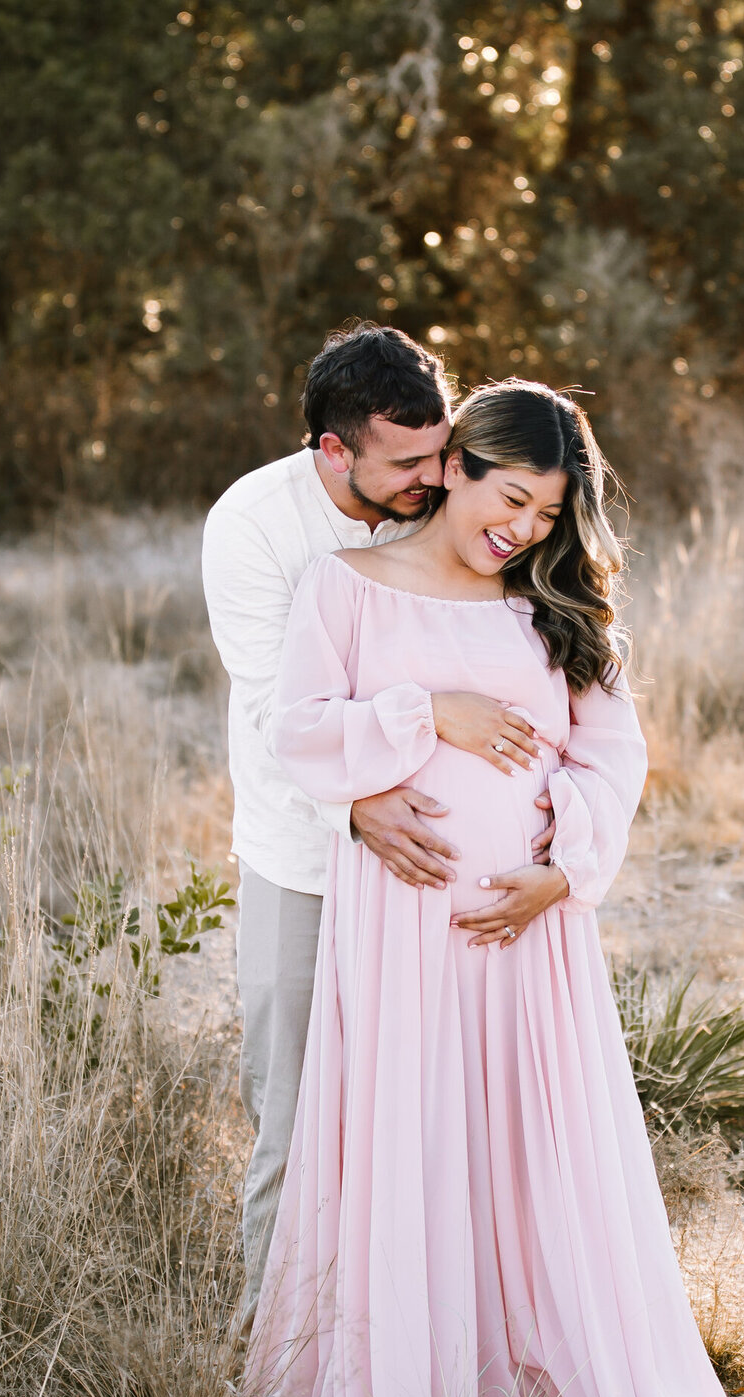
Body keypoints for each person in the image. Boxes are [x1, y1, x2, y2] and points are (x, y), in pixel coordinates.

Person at [243, 380, 744, 1397]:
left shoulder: (547, 608)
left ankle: (550, 1376)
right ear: (454, 465)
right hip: (405, 935)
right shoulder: (344, 589)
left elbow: (614, 752)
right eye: (510, 497)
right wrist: (426, 713)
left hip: (531, 943)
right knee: (415, 1148)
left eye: (548, 514)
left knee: (528, 1155)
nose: (523, 529)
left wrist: (565, 867)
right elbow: (300, 731)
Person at [203, 323, 551, 1343]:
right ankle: (272, 1346)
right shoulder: (255, 527)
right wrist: (354, 803)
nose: (433, 478)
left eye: (441, 450)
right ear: (332, 451)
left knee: (433, 1116)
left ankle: (420, 1335)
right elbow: (275, 710)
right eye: (405, 462)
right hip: (303, 859)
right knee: (293, 1112)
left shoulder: (449, 486)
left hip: (437, 881)